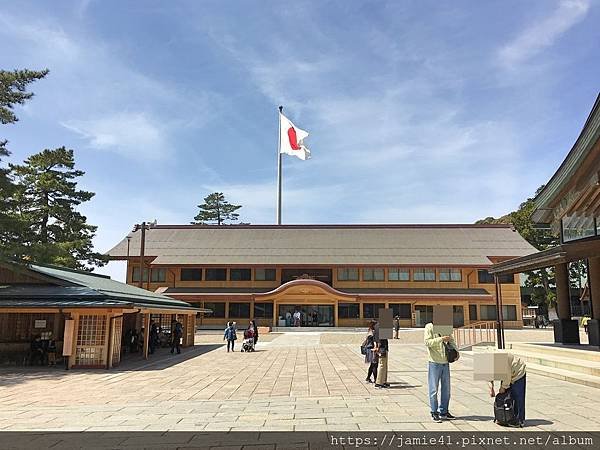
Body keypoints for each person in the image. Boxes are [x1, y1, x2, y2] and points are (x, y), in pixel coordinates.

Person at [424, 322, 458, 422]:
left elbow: (451, 340)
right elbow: (427, 342)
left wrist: (457, 352)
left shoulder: (445, 326)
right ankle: (434, 411)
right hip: (434, 362)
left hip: (445, 362)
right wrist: (441, 339)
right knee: (433, 388)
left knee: (446, 389)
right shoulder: (429, 327)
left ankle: (444, 411)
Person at [489, 353, 527, 427]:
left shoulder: (500, 361)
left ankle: (519, 420)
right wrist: (491, 388)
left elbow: (507, 376)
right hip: (508, 372)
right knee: (506, 397)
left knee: (518, 397)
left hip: (518, 372)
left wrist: (503, 387)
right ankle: (505, 418)